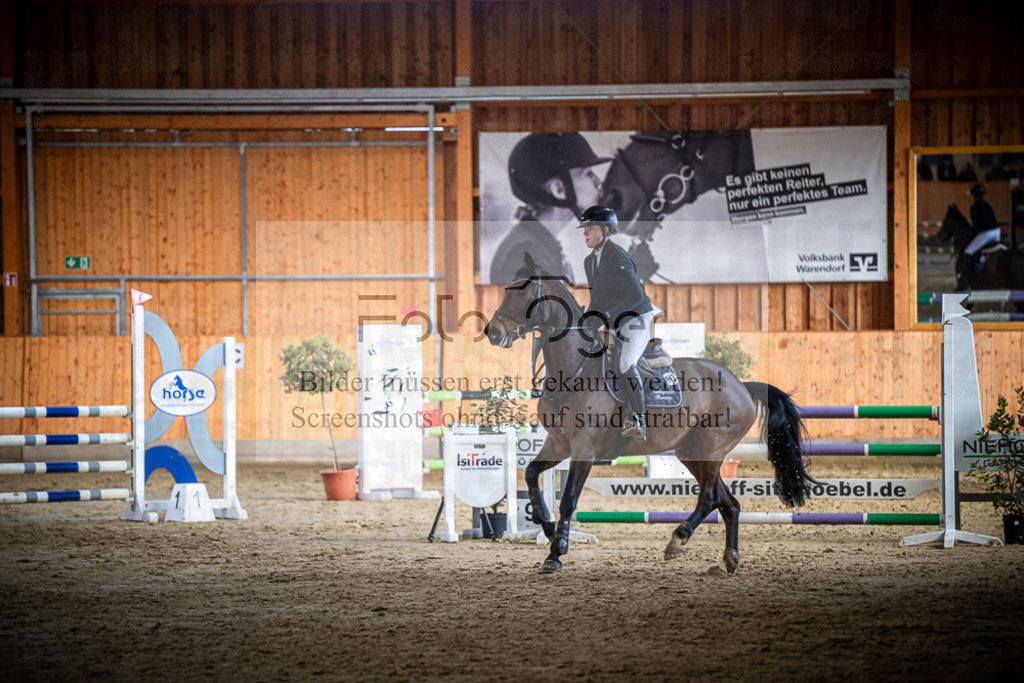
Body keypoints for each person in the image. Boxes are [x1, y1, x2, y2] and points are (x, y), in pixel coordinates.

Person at [488, 133, 609, 285]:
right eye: (588, 174)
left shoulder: (539, 245)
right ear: (559, 190)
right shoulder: (526, 255)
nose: (598, 183)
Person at [577, 205, 654, 441]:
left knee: (625, 362)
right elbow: (597, 300)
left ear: (605, 230)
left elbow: (636, 296)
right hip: (615, 319)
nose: (585, 233)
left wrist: (607, 317)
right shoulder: (590, 262)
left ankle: (639, 420)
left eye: (589, 228)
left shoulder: (617, 255)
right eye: (585, 228)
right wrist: (584, 322)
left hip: (637, 317)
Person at [959, 183, 1001, 290]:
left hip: (986, 233)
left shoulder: (973, 207)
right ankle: (983, 257)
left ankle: (968, 278)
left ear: (973, 195)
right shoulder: (988, 205)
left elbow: (976, 227)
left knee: (968, 251)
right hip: (997, 232)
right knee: (984, 247)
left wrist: (968, 235)